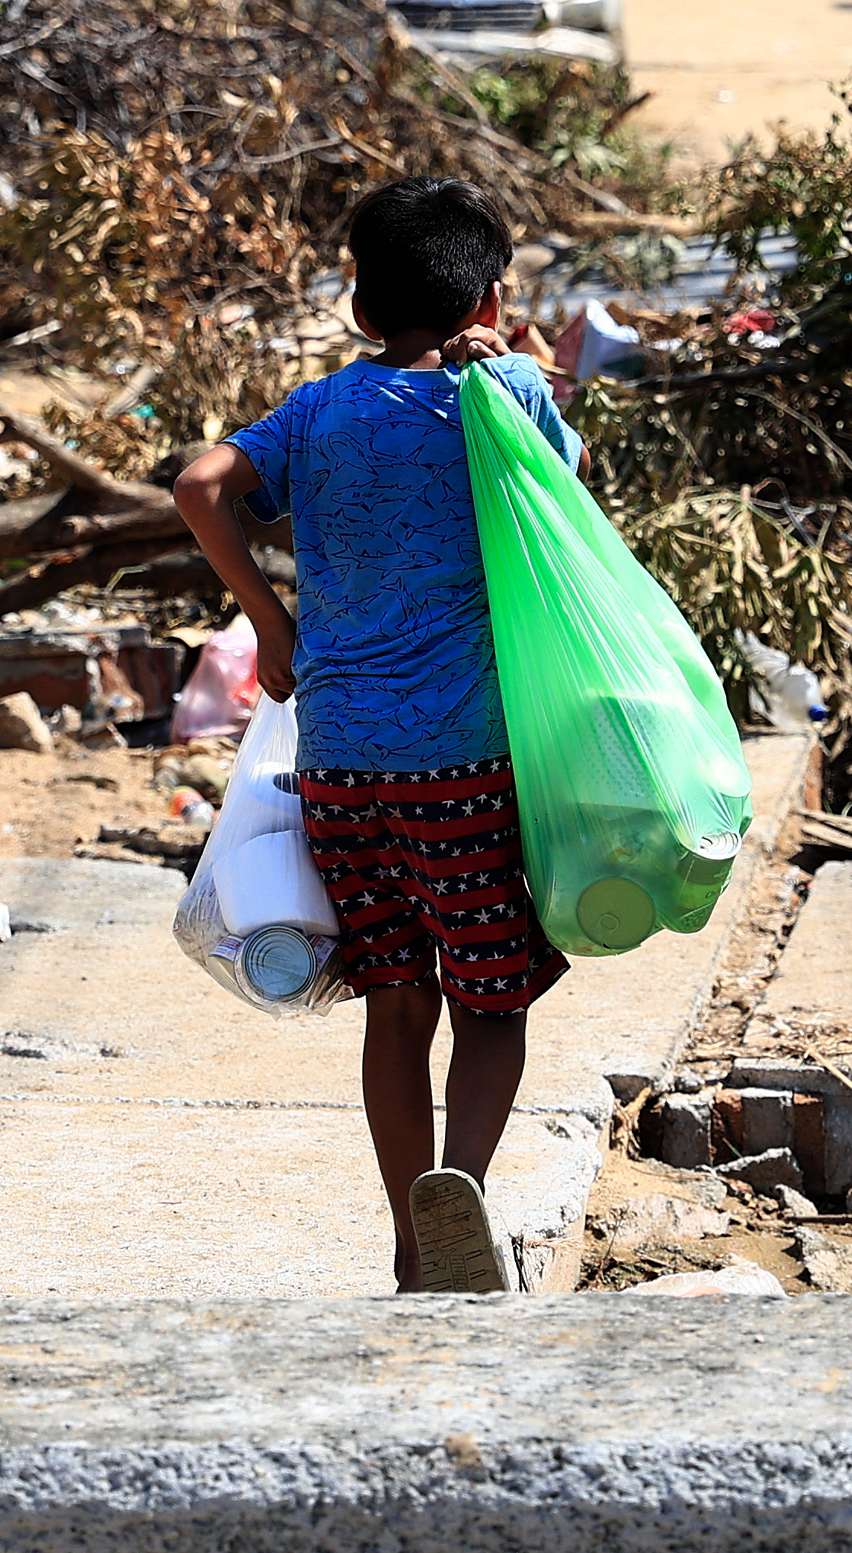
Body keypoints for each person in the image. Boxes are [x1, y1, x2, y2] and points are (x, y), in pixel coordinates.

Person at [174, 177, 581, 1292]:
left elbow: (202, 483)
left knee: (397, 1004)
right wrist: (520, 369)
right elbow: (566, 503)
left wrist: (271, 621)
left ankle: (412, 1249)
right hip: (466, 764)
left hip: (341, 767)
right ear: (491, 295)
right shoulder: (504, 398)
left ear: (360, 304)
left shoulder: (314, 411)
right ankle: (466, 1194)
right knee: (492, 1001)